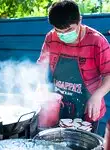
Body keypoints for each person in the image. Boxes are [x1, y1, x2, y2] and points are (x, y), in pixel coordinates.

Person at [37, 0, 110, 133]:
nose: (63, 35)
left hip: (88, 107)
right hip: (57, 106)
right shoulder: (51, 37)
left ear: (80, 20)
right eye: (59, 31)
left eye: (69, 30)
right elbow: (41, 64)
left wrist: (98, 95)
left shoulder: (97, 41)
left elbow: (108, 74)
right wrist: (40, 84)